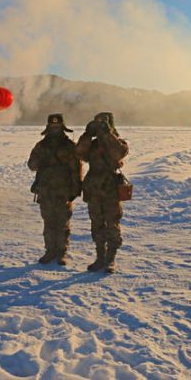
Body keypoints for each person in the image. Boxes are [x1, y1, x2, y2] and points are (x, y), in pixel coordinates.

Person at [76, 112, 129, 273]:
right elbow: (80, 153)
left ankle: (111, 258)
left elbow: (117, 153)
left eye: (103, 124)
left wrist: (107, 134)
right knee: (96, 224)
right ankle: (100, 257)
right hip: (93, 189)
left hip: (111, 189)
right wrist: (86, 135)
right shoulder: (93, 144)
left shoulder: (119, 142)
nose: (99, 127)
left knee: (112, 223)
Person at [27, 114, 82, 266]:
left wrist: (76, 189)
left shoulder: (70, 146)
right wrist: (39, 161)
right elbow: (31, 165)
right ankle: (50, 251)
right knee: (48, 222)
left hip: (64, 191)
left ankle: (62, 252)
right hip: (46, 190)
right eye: (53, 126)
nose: (55, 129)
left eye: (58, 127)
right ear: (48, 127)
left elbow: (76, 169)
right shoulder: (41, 146)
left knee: (62, 222)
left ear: (63, 127)